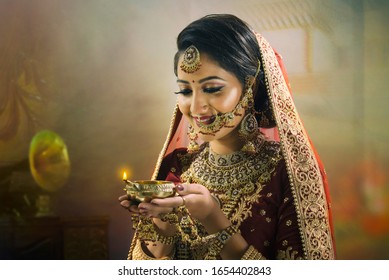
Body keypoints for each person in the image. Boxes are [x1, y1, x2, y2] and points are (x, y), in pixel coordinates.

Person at [119, 14, 336, 260]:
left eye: (212, 89)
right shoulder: (177, 167)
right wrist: (162, 225)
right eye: (185, 90)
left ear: (250, 88)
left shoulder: (289, 175)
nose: (197, 106)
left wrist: (213, 218)